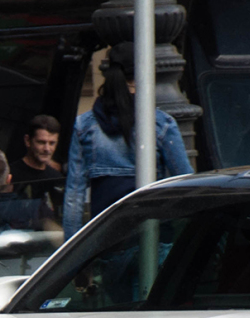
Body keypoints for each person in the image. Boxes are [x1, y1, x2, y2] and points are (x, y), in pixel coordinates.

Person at [63, 53, 192, 232]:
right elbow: (185, 184)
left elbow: (74, 197)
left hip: (104, 240)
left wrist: (71, 247)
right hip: (152, 239)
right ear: (143, 77)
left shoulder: (84, 126)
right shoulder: (161, 123)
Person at [15, 114, 67, 212]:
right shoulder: (11, 175)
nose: (47, 149)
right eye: (41, 142)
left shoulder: (56, 178)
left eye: (52, 143)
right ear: (27, 141)